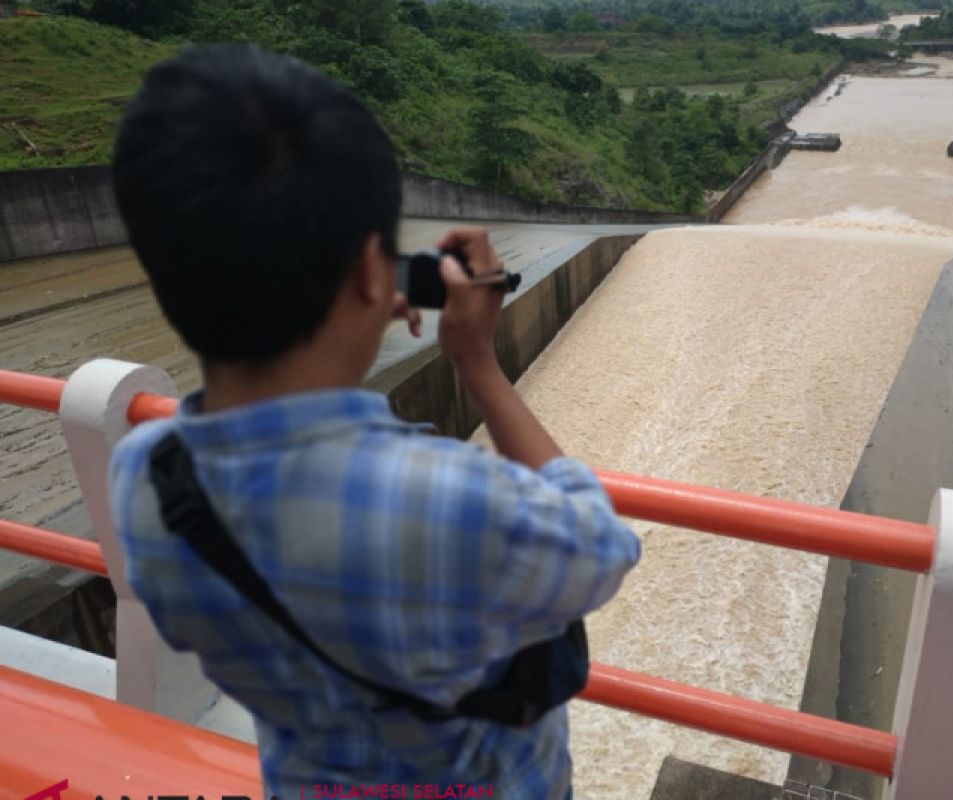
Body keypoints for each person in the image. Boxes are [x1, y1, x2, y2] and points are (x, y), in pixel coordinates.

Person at [107, 43, 640, 799]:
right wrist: (478, 362)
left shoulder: (144, 477)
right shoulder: (452, 503)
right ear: (372, 272)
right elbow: (605, 547)